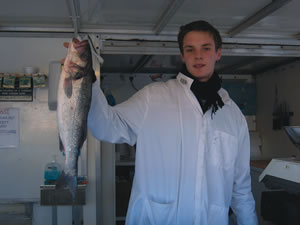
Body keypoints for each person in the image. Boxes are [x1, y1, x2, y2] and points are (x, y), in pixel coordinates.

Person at [87, 20, 258, 225]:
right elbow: (106, 126)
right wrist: (85, 81)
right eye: (190, 49)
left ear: (218, 53)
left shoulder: (233, 115)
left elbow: (241, 190)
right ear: (183, 55)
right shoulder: (154, 97)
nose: (198, 56)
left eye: (206, 48)